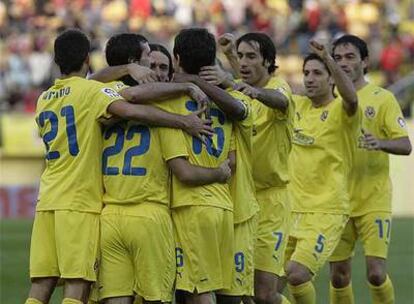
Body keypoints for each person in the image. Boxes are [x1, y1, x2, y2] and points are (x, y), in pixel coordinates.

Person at [25, 29, 211, 304]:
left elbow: (104, 86)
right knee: (77, 286)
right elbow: (133, 106)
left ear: (56, 60)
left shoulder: (44, 98)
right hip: (84, 203)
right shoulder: (96, 94)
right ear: (88, 58)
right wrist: (184, 118)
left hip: (51, 198)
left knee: (42, 285)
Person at [329, 34, 412, 304]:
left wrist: (380, 142)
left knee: (376, 274)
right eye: (338, 57)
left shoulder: (382, 98)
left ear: (365, 62)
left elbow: (405, 144)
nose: (343, 63)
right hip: (336, 200)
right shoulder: (326, 98)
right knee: (339, 276)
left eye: (350, 57)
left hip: (373, 197)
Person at [220, 32, 293, 304]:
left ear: (268, 61)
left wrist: (257, 92)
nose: (245, 62)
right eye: (241, 57)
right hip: (241, 200)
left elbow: (281, 100)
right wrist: (229, 54)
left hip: (272, 203)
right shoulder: (242, 93)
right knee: (244, 292)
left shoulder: (277, 88)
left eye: (252, 56)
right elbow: (238, 80)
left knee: (264, 293)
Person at [284, 40, 360, 304]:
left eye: (317, 73)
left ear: (332, 79)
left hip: (326, 211)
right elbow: (261, 90)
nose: (309, 79)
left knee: (296, 274)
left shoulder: (342, 110)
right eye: (306, 73)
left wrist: (328, 57)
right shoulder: (297, 107)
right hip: (290, 210)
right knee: (263, 288)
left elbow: (351, 97)